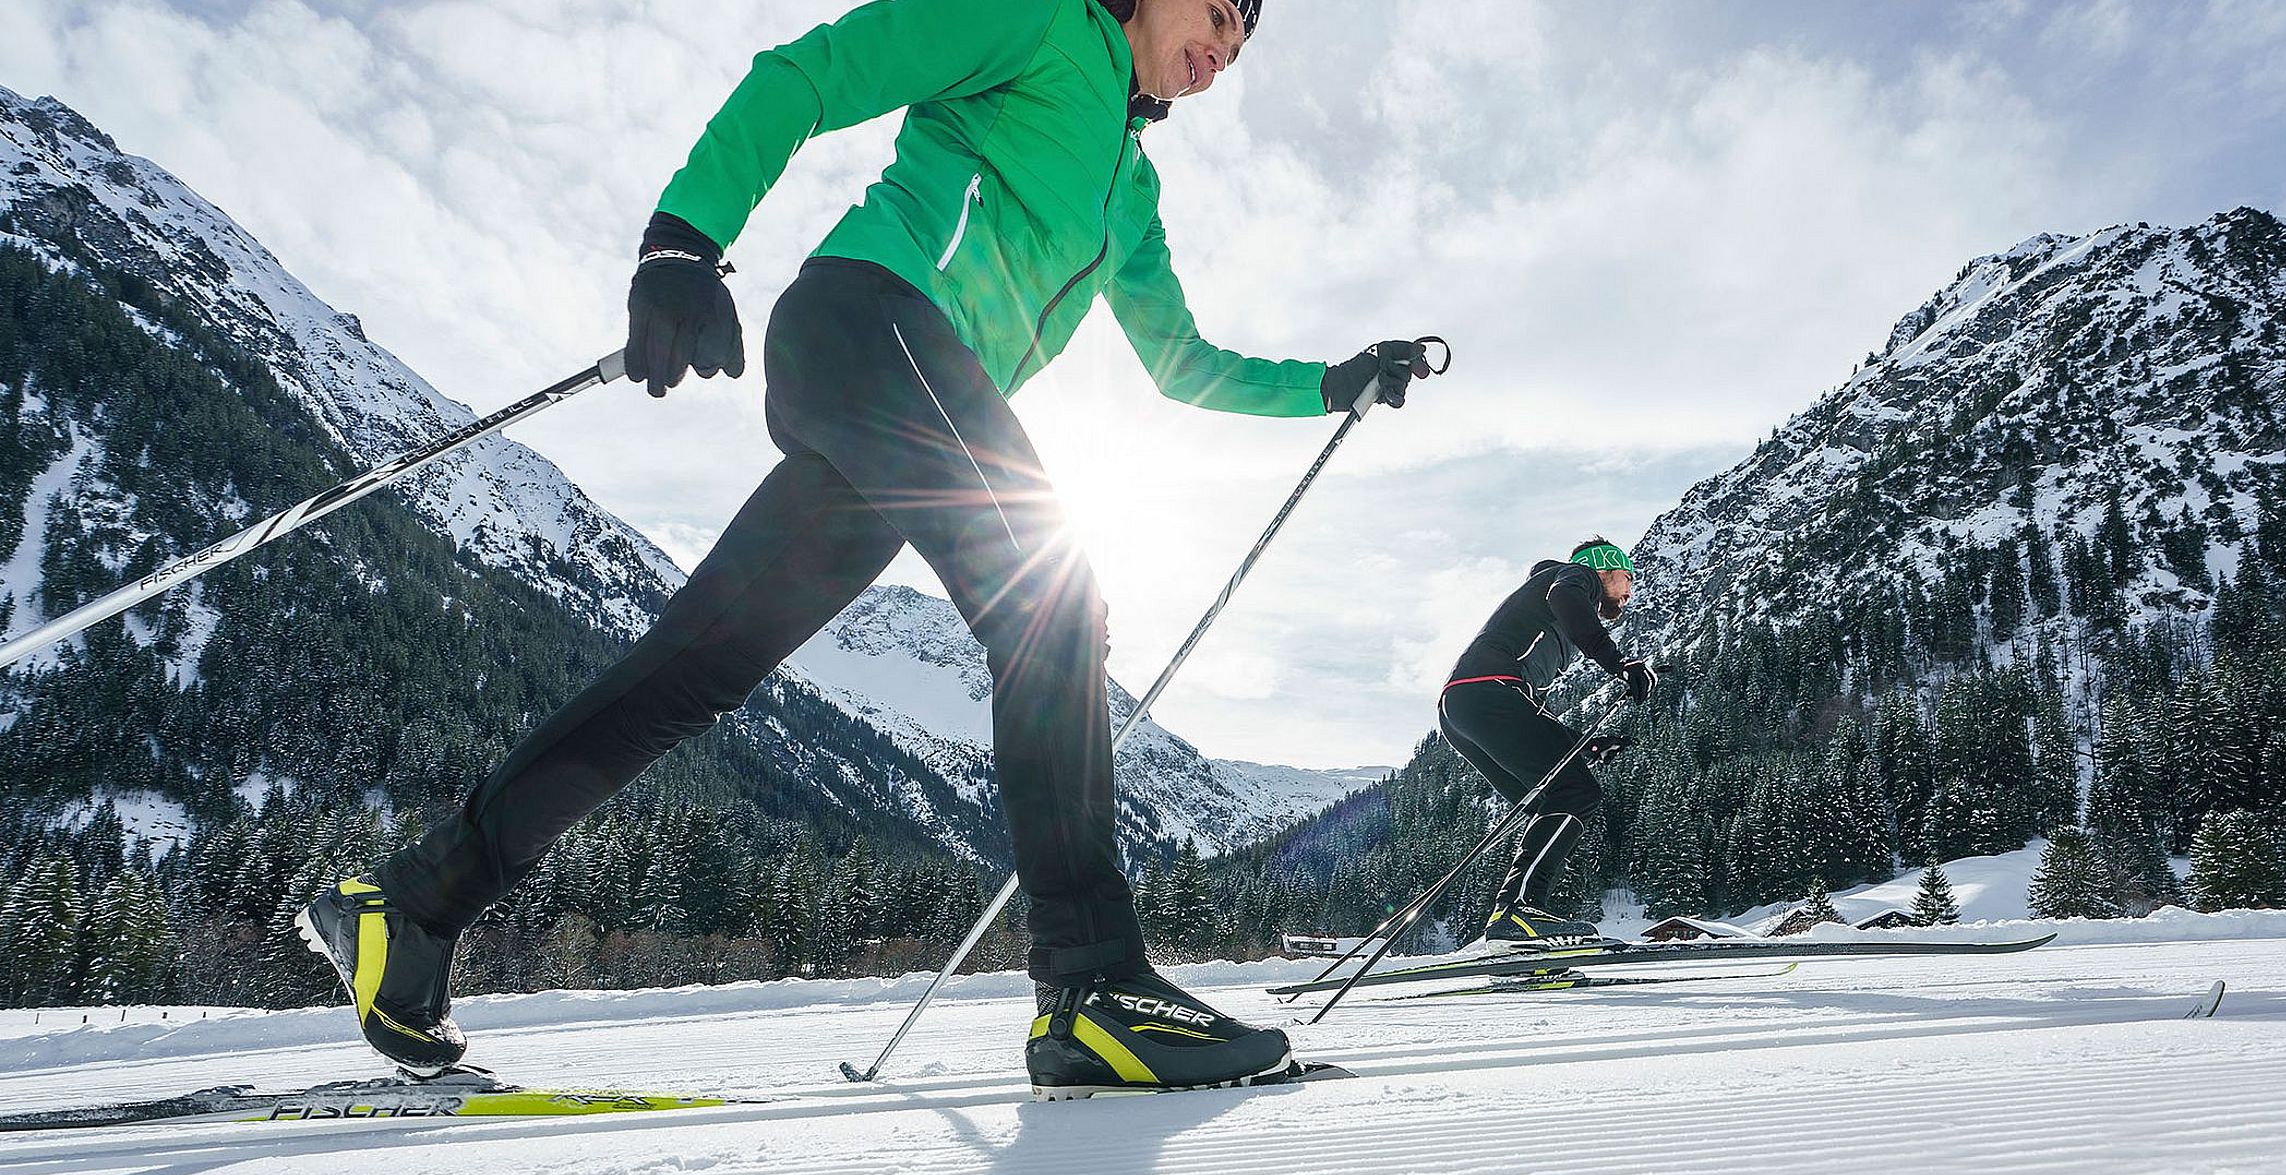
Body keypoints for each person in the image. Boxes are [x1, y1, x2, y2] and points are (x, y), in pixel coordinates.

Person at [299, 0, 1439, 1098]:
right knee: (1051, 598)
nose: (1227, 49)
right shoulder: (1037, 21)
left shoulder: (1131, 191)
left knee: (700, 666)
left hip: (914, 410)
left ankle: (414, 905)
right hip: (876, 325)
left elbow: (1184, 360)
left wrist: (1333, 383)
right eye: (1222, 13)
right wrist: (685, 243)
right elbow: (811, 71)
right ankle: (1093, 988)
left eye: (1245, 39)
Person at [1438, 537, 1655, 951]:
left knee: (1548, 803)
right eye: (1627, 578)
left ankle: (1517, 935)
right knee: (1575, 792)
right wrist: (1619, 663)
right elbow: (1566, 596)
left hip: (1463, 706)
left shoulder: (1543, 617)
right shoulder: (1575, 578)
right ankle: (1518, 912)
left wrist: (1585, 746)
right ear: (1605, 568)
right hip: (1491, 692)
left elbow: (1529, 712)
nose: (1629, 593)